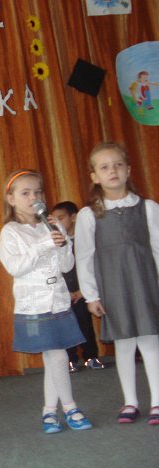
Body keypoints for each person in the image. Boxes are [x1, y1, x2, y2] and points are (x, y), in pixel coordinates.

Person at [0, 169, 93, 435]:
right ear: (11, 199)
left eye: (38, 192)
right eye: (25, 193)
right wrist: (43, 244)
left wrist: (62, 243)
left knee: (54, 358)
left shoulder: (51, 225)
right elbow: (15, 267)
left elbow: (67, 265)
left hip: (59, 301)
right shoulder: (11, 232)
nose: (34, 198)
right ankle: (71, 407)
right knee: (57, 355)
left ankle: (49, 412)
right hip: (34, 304)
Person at [75, 141, 159, 425]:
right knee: (124, 344)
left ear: (128, 170)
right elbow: (84, 257)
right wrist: (91, 295)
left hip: (145, 284)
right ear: (95, 176)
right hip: (114, 287)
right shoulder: (89, 215)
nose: (113, 171)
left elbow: (157, 249)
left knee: (150, 341)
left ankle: (157, 401)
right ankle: (130, 402)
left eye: (118, 165)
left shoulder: (147, 208)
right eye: (104, 167)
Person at [50, 201, 103, 372]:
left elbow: (92, 267)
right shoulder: (56, 243)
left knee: (85, 325)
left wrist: (83, 291)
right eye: (54, 220)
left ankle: (91, 356)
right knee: (66, 327)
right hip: (63, 293)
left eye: (61, 218)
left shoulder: (84, 240)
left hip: (83, 293)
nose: (58, 222)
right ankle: (71, 359)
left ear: (73, 217)